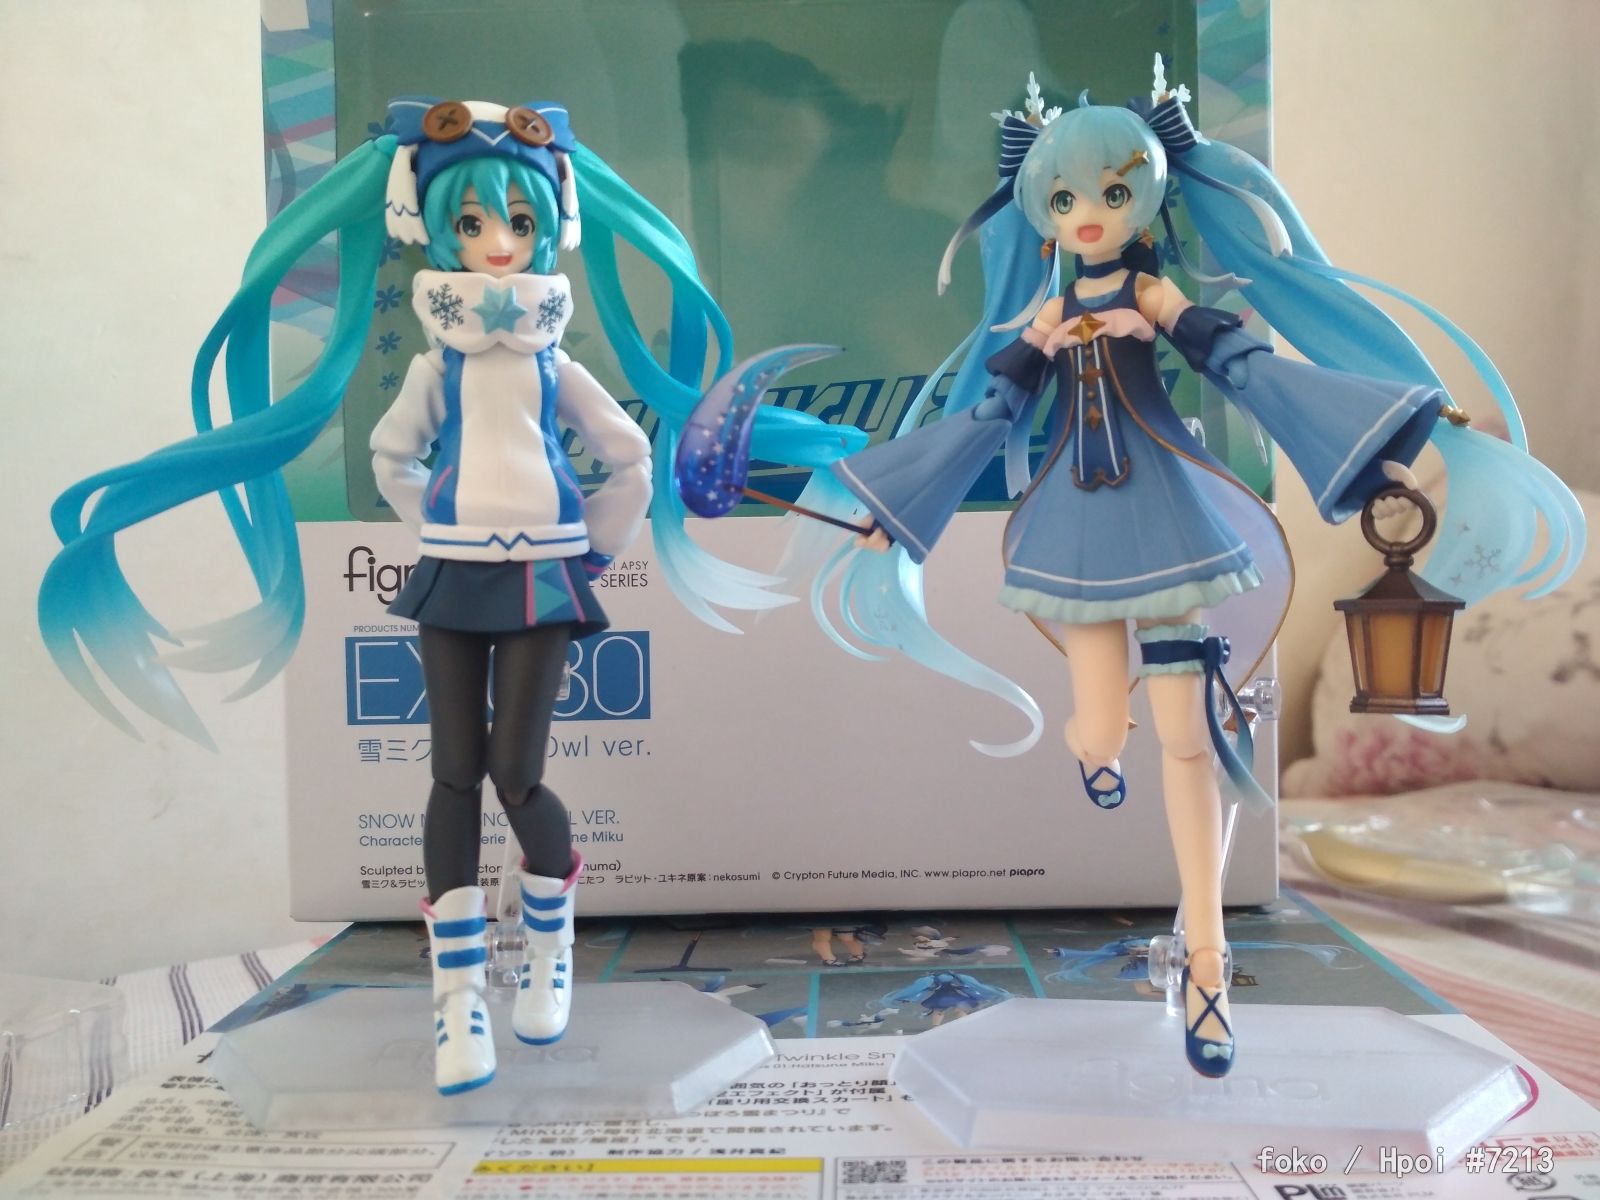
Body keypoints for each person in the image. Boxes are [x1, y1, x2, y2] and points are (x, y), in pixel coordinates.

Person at [38, 95, 846, 1097]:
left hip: (544, 575)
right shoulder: (439, 366)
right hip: (456, 575)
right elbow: (392, 456)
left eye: (517, 221)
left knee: (519, 774)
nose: (497, 242)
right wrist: (445, 525)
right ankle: (457, 991)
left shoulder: (554, 365)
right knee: (452, 772)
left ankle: (548, 950)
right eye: (471, 222)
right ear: (434, 228)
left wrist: (594, 550)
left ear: (548, 227)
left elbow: (632, 457)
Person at [818, 63, 1584, 1076]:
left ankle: (1208, 961)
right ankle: (1098, 746)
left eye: (1112, 191)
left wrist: (1373, 442)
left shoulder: (1150, 291)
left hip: (1169, 518)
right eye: (1064, 199)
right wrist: (896, 510)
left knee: (1187, 741)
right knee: (1099, 727)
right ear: (1042, 214)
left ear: (1149, 193)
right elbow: (990, 415)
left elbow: (1247, 370)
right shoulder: (1047, 315)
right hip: (1074, 535)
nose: (1090, 215)